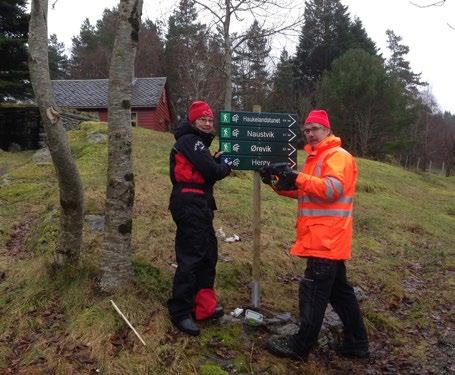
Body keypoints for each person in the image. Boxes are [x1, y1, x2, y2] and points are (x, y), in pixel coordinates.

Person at [263, 109, 369, 360]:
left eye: (315, 129)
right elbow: (308, 192)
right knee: (339, 292)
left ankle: (301, 345)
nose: (310, 134)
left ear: (327, 130)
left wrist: (296, 176)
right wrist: (277, 184)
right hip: (324, 238)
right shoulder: (317, 157)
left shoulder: (337, 156)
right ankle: (357, 343)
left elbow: (331, 190)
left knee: (312, 291)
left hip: (326, 239)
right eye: (307, 130)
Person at [168, 100, 232, 336]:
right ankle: (180, 311)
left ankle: (204, 307)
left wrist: (215, 162)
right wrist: (225, 164)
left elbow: (205, 174)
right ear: (192, 121)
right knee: (191, 257)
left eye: (209, 120)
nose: (207, 123)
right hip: (189, 204)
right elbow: (212, 172)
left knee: (208, 255)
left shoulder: (197, 144)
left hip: (200, 204)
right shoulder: (189, 141)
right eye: (202, 119)